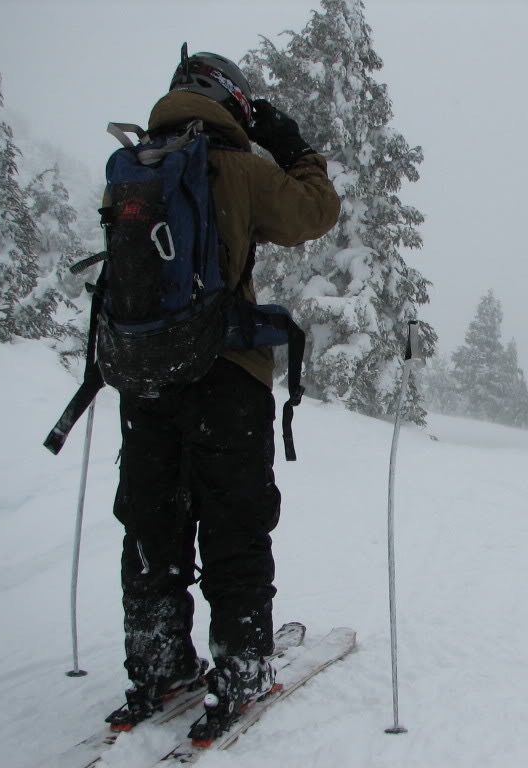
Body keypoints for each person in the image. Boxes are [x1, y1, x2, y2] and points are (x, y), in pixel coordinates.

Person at [107, 48, 340, 733]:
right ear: (233, 102)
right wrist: (291, 145)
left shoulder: (134, 167)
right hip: (225, 376)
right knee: (235, 523)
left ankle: (157, 668)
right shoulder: (236, 166)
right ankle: (240, 671)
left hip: (144, 377)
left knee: (153, 522)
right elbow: (314, 212)